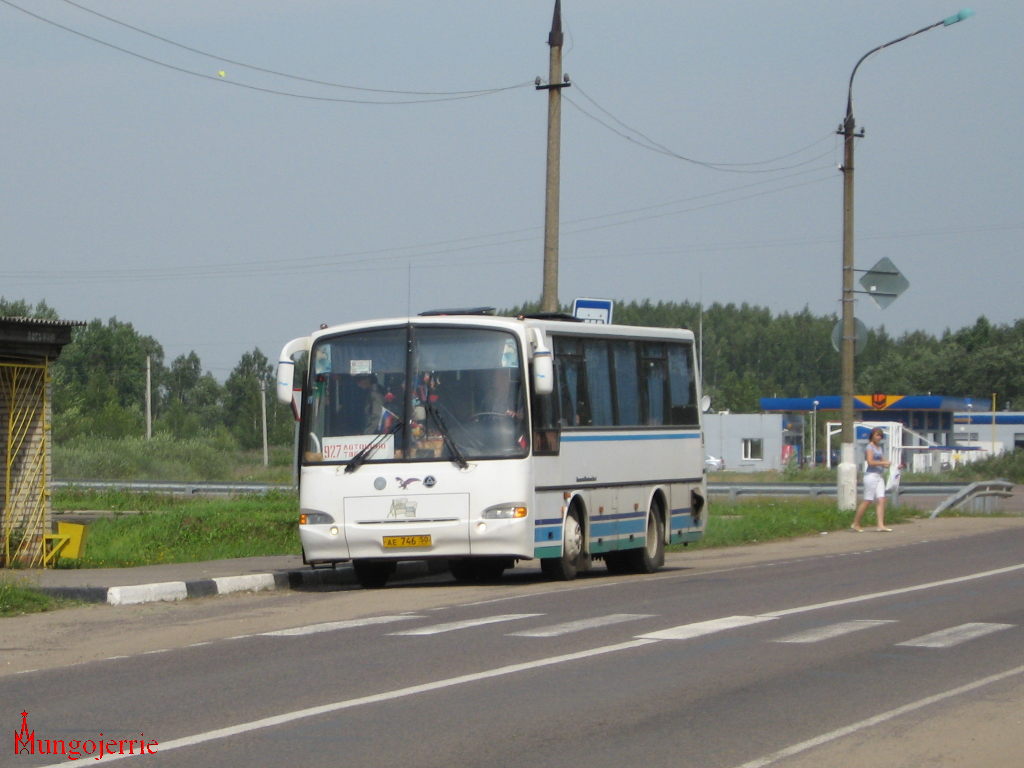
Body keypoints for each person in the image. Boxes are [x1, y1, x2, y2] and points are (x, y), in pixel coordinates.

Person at [851, 427, 892, 532]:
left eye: (880, 435)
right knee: (868, 500)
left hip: (879, 476)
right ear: (872, 436)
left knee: (881, 499)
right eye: (876, 435)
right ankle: (856, 523)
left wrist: (892, 465)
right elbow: (870, 462)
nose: (878, 437)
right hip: (870, 476)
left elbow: (883, 462)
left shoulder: (879, 448)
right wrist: (883, 463)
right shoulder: (869, 447)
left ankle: (880, 524)